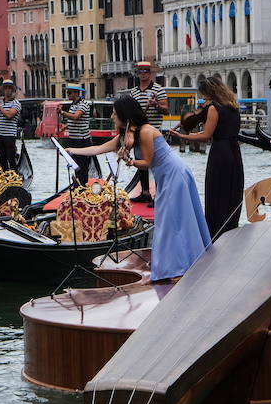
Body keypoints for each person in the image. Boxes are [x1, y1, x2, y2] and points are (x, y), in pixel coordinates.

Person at [67, 96, 209, 281]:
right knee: (172, 219)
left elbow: (147, 163)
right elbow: (99, 148)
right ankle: (177, 265)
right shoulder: (127, 135)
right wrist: (72, 151)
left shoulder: (146, 131)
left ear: (124, 116)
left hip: (175, 174)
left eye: (115, 113)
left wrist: (129, 161)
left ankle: (177, 267)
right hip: (165, 175)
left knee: (171, 220)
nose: (111, 116)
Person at [171, 75, 243, 239]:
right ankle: (231, 229)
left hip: (220, 151)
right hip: (234, 151)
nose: (203, 98)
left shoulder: (213, 108)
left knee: (216, 192)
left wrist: (183, 136)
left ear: (210, 93)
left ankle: (215, 232)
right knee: (232, 190)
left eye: (204, 95)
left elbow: (206, 135)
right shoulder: (234, 107)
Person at [121, 61, 166, 203]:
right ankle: (145, 193)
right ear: (137, 73)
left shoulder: (159, 90)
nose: (143, 74)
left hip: (153, 133)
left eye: (146, 71)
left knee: (155, 164)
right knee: (141, 163)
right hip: (137, 133)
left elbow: (165, 109)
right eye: (140, 71)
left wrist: (155, 105)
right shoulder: (133, 92)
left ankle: (158, 196)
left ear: (150, 73)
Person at [59, 84, 94, 185]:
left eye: (69, 92)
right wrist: (64, 128)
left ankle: (83, 185)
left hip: (82, 140)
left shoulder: (84, 104)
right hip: (73, 139)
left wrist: (62, 112)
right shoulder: (73, 105)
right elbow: (72, 121)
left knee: (82, 164)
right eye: (67, 92)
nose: (68, 94)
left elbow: (76, 117)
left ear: (76, 93)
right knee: (75, 163)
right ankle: (77, 184)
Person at [0, 80, 22, 171]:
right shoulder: (0, 104)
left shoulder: (16, 104)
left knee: (11, 158)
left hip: (10, 136)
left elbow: (9, 115)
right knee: (2, 159)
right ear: (3, 90)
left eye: (9, 88)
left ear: (12, 90)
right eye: (5, 88)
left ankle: (14, 178)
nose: (7, 90)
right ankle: (6, 177)